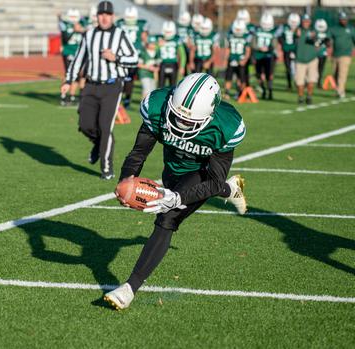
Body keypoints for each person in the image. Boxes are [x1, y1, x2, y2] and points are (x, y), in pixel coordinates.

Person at [103, 73, 247, 310]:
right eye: (177, 117)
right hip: (172, 168)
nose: (180, 125)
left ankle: (129, 288)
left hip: (202, 171)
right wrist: (125, 182)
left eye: (188, 122)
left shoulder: (225, 126)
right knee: (177, 193)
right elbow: (138, 153)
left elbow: (212, 181)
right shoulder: (158, 107)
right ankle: (231, 188)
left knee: (167, 218)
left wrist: (177, 198)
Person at [61, 0, 138, 180]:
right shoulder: (89, 35)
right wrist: (68, 80)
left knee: (105, 126)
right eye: (101, 15)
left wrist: (115, 57)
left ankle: (107, 168)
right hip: (90, 85)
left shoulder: (120, 34)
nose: (104, 18)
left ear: (112, 16)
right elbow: (78, 59)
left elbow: (134, 58)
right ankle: (98, 144)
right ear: (97, 17)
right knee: (85, 124)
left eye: (107, 15)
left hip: (112, 86)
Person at [116, 6, 147, 109]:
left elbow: (144, 39)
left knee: (127, 78)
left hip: (130, 54)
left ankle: (126, 100)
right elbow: (144, 39)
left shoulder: (121, 23)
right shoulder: (138, 24)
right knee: (125, 79)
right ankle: (124, 100)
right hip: (126, 54)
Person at [330, 11, 355, 99]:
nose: (344, 21)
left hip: (346, 55)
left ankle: (341, 92)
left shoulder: (351, 29)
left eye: (345, 19)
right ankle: (338, 89)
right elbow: (329, 39)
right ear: (339, 20)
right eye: (342, 19)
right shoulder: (334, 29)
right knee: (335, 74)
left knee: (342, 74)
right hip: (335, 55)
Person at [224, 19, 251, 99]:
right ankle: (227, 93)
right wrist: (226, 58)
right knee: (228, 77)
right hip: (232, 58)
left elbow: (248, 50)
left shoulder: (246, 36)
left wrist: (245, 60)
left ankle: (241, 93)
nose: (238, 31)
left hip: (241, 59)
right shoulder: (230, 35)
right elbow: (228, 48)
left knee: (241, 78)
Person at [252, 13, 277, 100]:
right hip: (258, 56)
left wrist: (268, 49)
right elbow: (253, 43)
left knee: (269, 75)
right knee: (259, 75)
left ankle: (270, 91)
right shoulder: (257, 31)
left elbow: (274, 44)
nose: (266, 25)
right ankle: (264, 90)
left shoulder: (273, 32)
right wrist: (259, 48)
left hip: (268, 56)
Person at [295, 14, 318, 105]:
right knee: (299, 81)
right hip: (300, 59)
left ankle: (309, 96)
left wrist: (315, 37)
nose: (306, 23)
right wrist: (296, 35)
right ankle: (300, 97)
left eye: (307, 21)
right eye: (304, 21)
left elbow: (318, 40)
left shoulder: (313, 31)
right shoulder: (298, 31)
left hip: (312, 59)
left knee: (311, 80)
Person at [278, 13, 300, 91]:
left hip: (296, 50)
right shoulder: (283, 27)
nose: (293, 24)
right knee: (288, 68)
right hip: (286, 50)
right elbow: (279, 37)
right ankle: (289, 84)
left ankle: (298, 83)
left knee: (297, 68)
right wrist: (283, 45)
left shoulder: (299, 29)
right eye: (292, 22)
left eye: (295, 22)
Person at [157, 20, 182, 88]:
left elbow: (182, 54)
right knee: (160, 86)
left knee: (173, 86)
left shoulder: (177, 39)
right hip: (162, 63)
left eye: (169, 32)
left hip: (173, 64)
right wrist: (158, 45)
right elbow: (153, 50)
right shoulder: (159, 38)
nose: (167, 33)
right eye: (166, 31)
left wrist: (182, 66)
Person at [314, 19, 330, 89]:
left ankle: (319, 82)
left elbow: (328, 44)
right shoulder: (315, 33)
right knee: (314, 69)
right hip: (315, 54)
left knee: (321, 69)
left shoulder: (327, 33)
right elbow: (315, 44)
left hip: (323, 54)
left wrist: (327, 42)